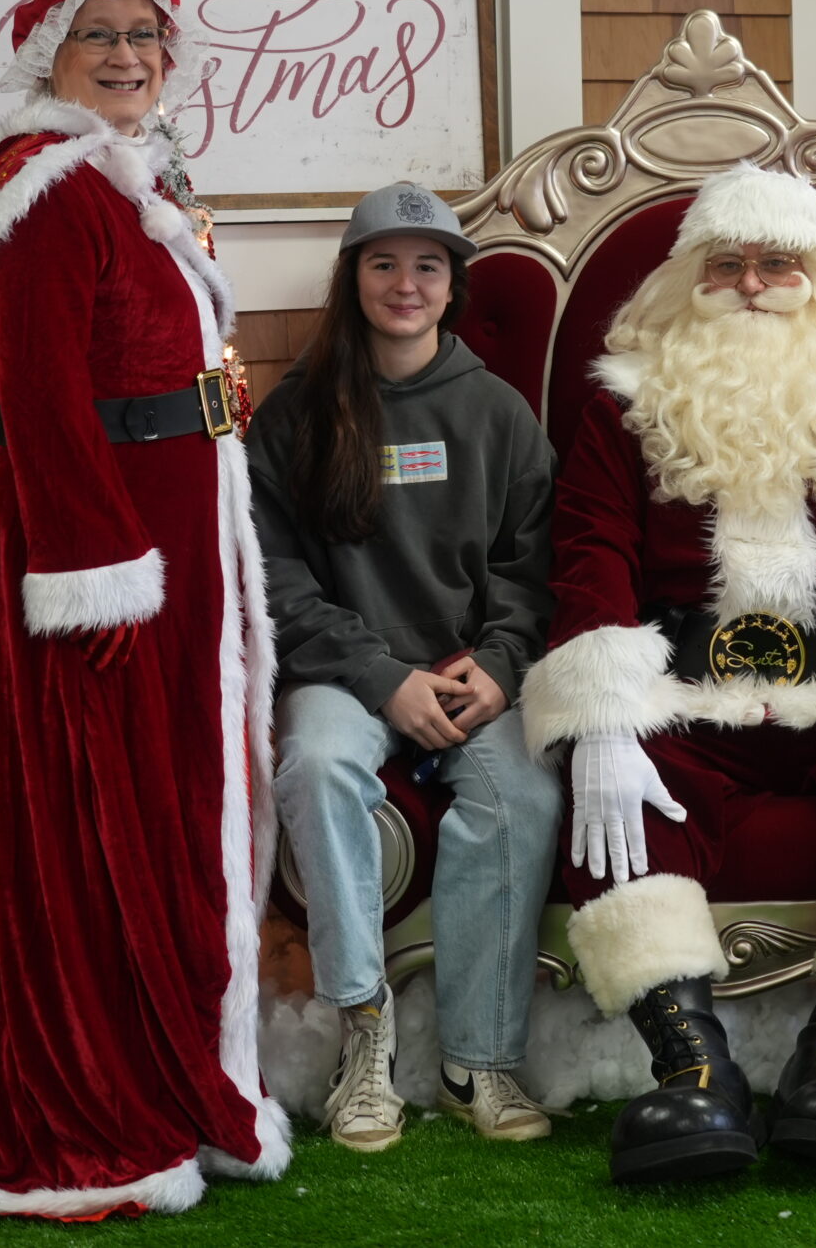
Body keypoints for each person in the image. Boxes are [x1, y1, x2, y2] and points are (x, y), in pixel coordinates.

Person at [0, 0, 290, 1215]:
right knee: (89, 818)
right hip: (100, 548)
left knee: (160, 809)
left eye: (144, 34)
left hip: (166, 532)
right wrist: (97, 572)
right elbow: (44, 394)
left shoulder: (133, 176)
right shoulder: (52, 186)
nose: (126, 55)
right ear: (46, 59)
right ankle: (83, 1096)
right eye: (96, 35)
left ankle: (170, 1077)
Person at [521, 163, 816, 1185]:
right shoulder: (625, 402)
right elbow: (590, 555)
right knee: (619, 804)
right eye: (727, 265)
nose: (750, 284)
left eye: (778, 264)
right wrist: (604, 721)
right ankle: (691, 1068)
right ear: (689, 278)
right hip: (684, 702)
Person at [252, 182, 561, 1154]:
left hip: (470, 678)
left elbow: (532, 569)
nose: (405, 283)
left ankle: (479, 1059)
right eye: (383, 263)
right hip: (346, 675)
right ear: (352, 278)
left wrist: (501, 665)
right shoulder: (298, 413)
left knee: (522, 795)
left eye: (427, 266)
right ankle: (365, 1032)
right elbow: (274, 575)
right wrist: (383, 676)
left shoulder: (498, 413)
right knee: (317, 766)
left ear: (452, 285)